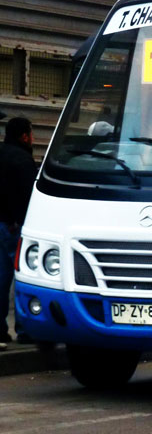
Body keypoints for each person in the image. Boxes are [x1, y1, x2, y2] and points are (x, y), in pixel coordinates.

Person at [0, 117, 37, 350]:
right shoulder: (24, 160)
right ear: (24, 136)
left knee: (1, 280)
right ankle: (25, 330)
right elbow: (29, 197)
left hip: (1, 224)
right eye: (31, 133)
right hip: (17, 226)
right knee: (24, 278)